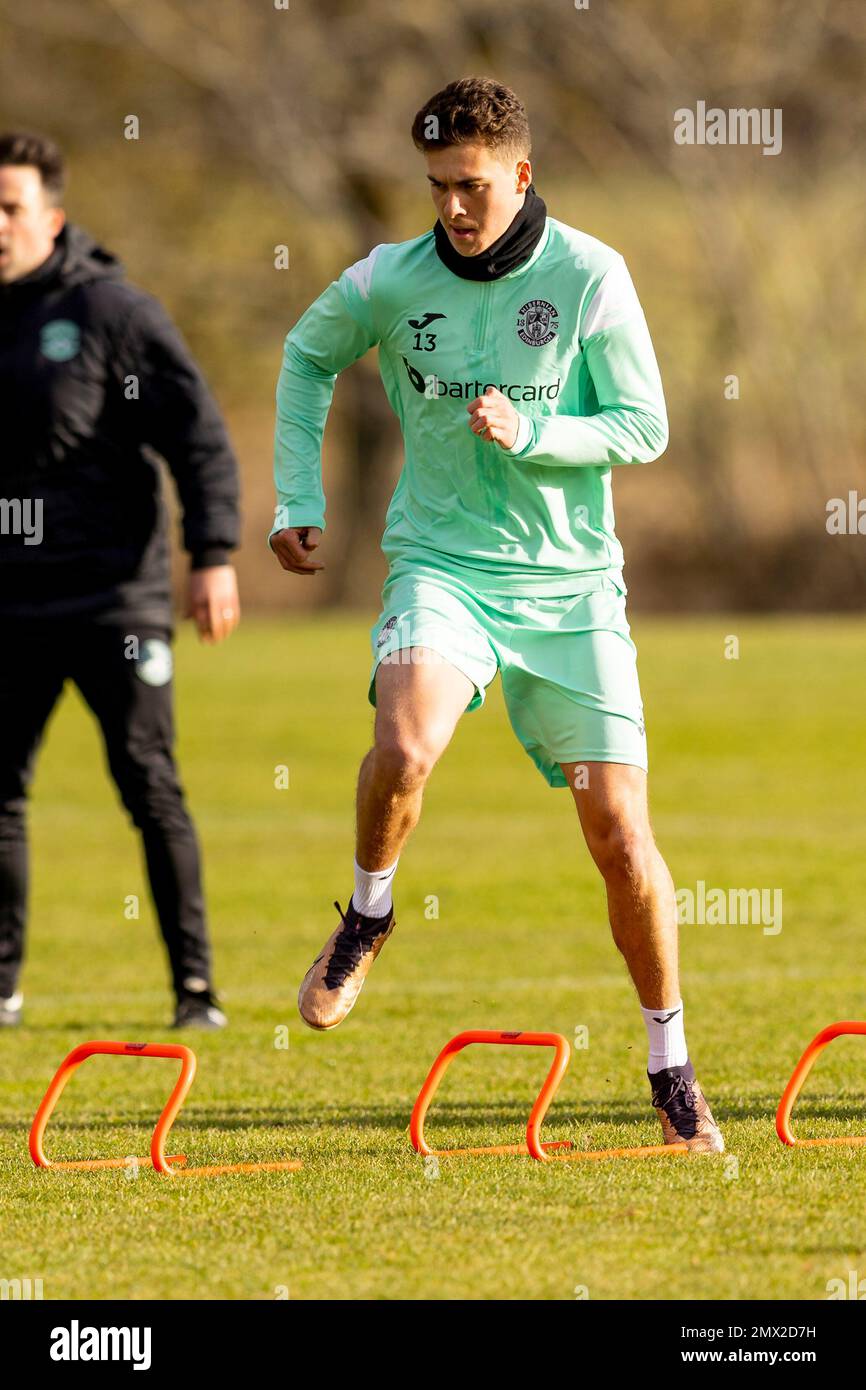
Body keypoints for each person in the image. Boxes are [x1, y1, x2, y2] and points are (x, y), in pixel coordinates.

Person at [270, 79, 723, 1150]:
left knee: (619, 837)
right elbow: (302, 357)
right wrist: (297, 496)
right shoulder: (390, 278)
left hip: (570, 590)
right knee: (404, 740)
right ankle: (367, 914)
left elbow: (644, 425)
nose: (453, 209)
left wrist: (535, 432)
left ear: (519, 173)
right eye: (436, 188)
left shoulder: (589, 275)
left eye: (471, 185)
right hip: (442, 569)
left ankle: (669, 1067)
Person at [0, 131, 241, 1029]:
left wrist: (213, 553)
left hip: (115, 601)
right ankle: (3, 990)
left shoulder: (111, 312)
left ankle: (195, 992)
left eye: (11, 207)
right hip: (10, 603)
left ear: (52, 218)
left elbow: (198, 434)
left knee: (148, 785)